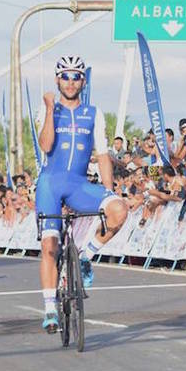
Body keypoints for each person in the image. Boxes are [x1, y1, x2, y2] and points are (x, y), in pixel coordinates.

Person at [36, 56, 128, 333]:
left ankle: (86, 256)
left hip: (78, 184)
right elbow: (46, 144)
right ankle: (50, 308)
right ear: (57, 79)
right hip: (50, 184)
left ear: (83, 81)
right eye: (65, 76)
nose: (71, 81)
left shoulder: (93, 113)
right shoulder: (49, 109)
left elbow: (102, 154)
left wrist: (109, 189)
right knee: (50, 247)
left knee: (119, 210)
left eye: (76, 76)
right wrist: (51, 109)